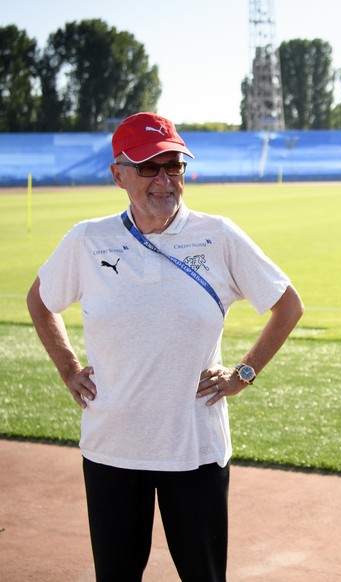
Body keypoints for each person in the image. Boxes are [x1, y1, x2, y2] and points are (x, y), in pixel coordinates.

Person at [26, 112, 304, 581]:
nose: (164, 179)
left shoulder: (218, 235)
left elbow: (288, 305)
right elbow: (40, 300)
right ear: (119, 174)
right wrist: (68, 366)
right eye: (149, 166)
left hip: (193, 447)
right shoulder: (88, 240)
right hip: (112, 447)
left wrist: (244, 373)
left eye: (173, 165)